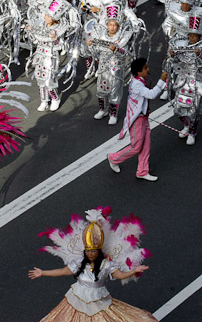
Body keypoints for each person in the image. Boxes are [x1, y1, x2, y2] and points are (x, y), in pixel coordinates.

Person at [29, 207, 158, 321]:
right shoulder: (79, 263)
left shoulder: (106, 265)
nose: (91, 254)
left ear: (99, 251)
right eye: (88, 251)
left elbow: (120, 275)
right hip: (76, 304)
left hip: (98, 306)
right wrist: (43, 272)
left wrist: (134, 271)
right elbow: (63, 271)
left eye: (94, 251)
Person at [107, 58, 168, 182]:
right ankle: (113, 158)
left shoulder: (139, 81)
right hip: (137, 121)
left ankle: (142, 171)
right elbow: (151, 94)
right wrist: (162, 81)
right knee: (136, 147)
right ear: (138, 72)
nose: (148, 69)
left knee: (146, 146)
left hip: (143, 118)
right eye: (145, 68)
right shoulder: (136, 84)